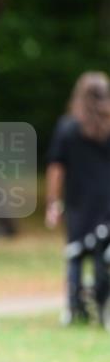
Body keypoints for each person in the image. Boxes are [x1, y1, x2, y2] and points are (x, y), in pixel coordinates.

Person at [45, 71, 110, 328]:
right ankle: (102, 303)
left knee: (75, 256)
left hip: (79, 202)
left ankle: (74, 307)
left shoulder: (69, 127)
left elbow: (56, 168)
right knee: (103, 254)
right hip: (107, 202)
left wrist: (53, 201)